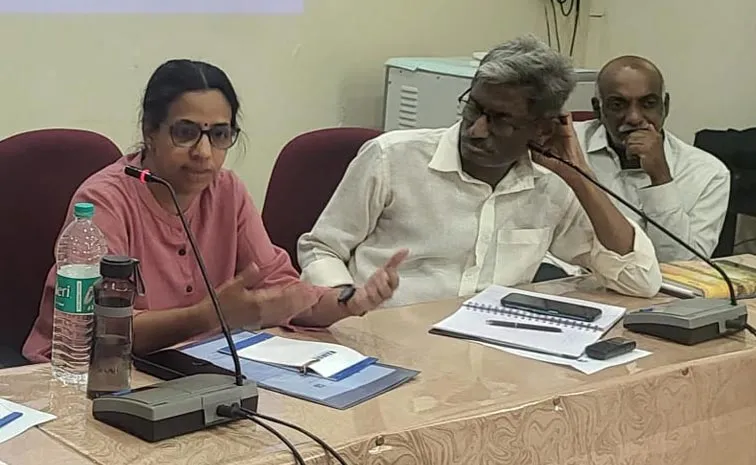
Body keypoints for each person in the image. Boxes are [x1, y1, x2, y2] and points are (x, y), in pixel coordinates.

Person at [22, 59, 408, 363]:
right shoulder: (105, 200)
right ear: (150, 131)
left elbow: (282, 293)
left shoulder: (227, 190)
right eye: (185, 133)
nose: (204, 153)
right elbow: (97, 331)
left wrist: (348, 302)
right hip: (90, 376)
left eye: (219, 135)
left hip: (194, 370)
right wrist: (210, 315)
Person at [297, 35, 662, 308]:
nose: (476, 130)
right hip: (380, 338)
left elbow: (640, 279)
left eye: (500, 119)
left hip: (486, 358)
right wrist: (347, 301)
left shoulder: (552, 184)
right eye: (474, 108)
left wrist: (581, 178)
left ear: (542, 129)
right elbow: (320, 249)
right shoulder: (392, 158)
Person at [574, 56, 730, 262]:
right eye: (618, 105)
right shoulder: (568, 145)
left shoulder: (708, 173)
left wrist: (661, 178)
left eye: (648, 104)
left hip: (657, 282)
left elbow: (683, 266)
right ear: (597, 109)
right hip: (570, 276)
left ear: (665, 106)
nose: (634, 118)